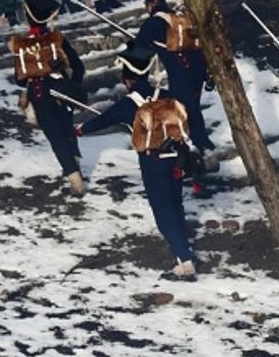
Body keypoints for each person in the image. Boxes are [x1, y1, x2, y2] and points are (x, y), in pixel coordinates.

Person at [76, 47, 197, 278]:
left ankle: (185, 261)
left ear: (127, 80)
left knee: (163, 213)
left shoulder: (129, 104)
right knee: (176, 205)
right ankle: (183, 248)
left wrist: (82, 129)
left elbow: (104, 120)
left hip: (153, 163)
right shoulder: (167, 96)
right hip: (177, 159)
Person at [134, 0, 217, 169]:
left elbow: (139, 52)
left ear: (151, 1)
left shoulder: (152, 23)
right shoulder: (177, 18)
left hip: (179, 75)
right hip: (196, 71)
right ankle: (205, 148)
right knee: (193, 109)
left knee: (182, 116)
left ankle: (195, 157)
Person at [10, 0, 87, 195]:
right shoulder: (57, 39)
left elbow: (19, 78)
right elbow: (78, 67)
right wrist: (73, 86)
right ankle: (74, 162)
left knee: (55, 136)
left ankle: (74, 178)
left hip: (39, 94)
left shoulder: (23, 45)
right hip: (62, 89)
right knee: (66, 129)